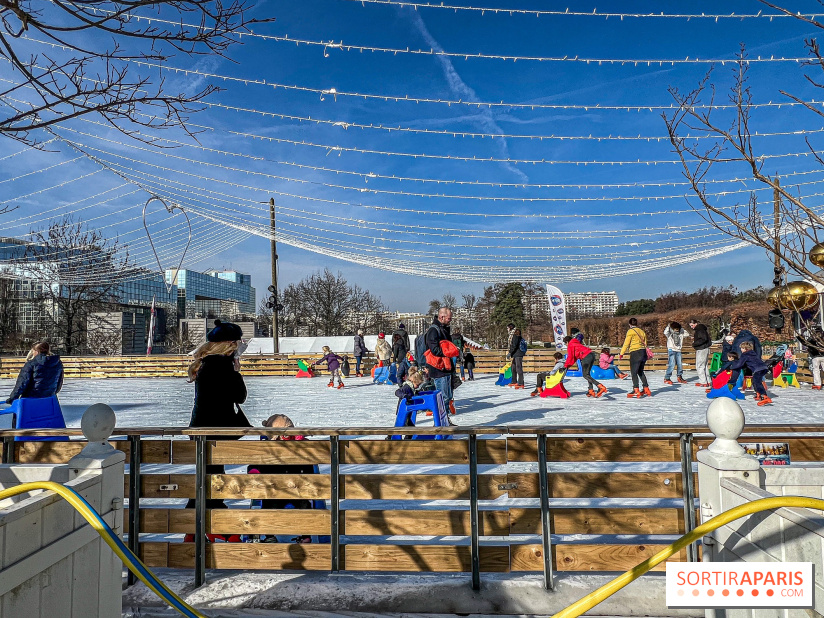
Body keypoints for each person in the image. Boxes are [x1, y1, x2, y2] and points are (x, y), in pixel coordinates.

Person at [187, 319, 249, 510]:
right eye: (238, 343)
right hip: (214, 430)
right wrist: (237, 373)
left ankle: (199, 520)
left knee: (207, 475)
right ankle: (204, 520)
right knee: (210, 478)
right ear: (229, 345)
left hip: (202, 428)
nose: (240, 347)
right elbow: (239, 396)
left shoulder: (206, 363)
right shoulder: (222, 366)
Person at [249, 414, 315, 544]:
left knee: (305, 505)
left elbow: (309, 467)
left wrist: (309, 483)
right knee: (269, 505)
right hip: (275, 491)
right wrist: (255, 474)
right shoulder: (268, 448)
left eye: (287, 435)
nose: (284, 439)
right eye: (282, 436)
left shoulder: (299, 447)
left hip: (296, 490)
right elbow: (255, 464)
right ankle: (269, 535)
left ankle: (306, 535)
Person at [425, 307, 459, 415]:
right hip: (439, 369)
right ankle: (441, 420)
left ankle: (446, 418)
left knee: (448, 396)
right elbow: (434, 349)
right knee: (443, 396)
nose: (450, 320)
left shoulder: (443, 329)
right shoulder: (433, 330)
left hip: (446, 368)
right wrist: (449, 352)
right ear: (442, 316)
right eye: (449, 318)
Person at [730, 341, 771, 405]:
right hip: (763, 368)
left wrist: (732, 367)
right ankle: (758, 394)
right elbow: (746, 363)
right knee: (755, 381)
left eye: (742, 348)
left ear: (746, 349)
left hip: (758, 369)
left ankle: (764, 396)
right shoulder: (752, 353)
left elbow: (739, 364)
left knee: (757, 382)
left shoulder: (745, 354)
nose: (741, 349)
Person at [620, 318, 651, 398]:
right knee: (640, 371)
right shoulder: (642, 331)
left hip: (635, 352)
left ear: (630, 324)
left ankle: (636, 389)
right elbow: (645, 343)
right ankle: (646, 388)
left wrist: (621, 353)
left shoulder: (630, 331)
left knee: (634, 372)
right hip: (643, 352)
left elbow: (626, 343)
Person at [689, 318, 711, 387]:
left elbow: (703, 339)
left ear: (696, 324)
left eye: (692, 325)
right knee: (704, 366)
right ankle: (708, 381)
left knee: (700, 366)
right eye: (690, 326)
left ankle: (703, 382)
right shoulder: (701, 329)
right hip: (704, 348)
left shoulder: (700, 330)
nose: (691, 327)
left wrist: (695, 343)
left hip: (702, 349)